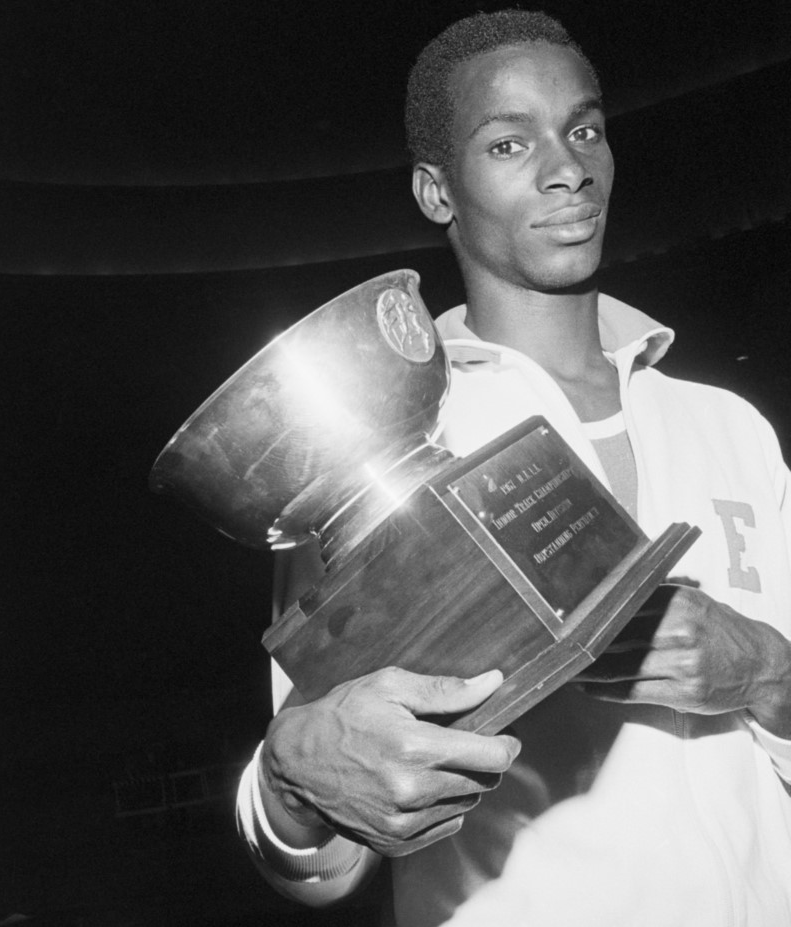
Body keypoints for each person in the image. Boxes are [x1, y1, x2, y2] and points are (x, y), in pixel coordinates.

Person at [236, 10, 791, 926]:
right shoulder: (370, 457)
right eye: (507, 142)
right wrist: (293, 780)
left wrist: (766, 670)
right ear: (436, 191)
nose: (566, 167)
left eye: (583, 128)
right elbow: (319, 858)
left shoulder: (729, 425)